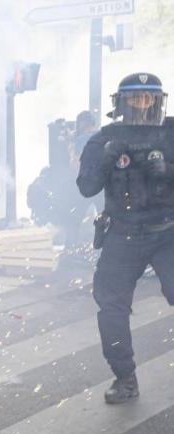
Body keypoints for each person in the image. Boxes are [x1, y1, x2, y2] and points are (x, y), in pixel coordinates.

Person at [77, 73, 174, 404]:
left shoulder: (172, 132)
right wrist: (106, 158)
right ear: (122, 103)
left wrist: (168, 170)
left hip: (168, 233)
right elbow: (86, 187)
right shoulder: (104, 139)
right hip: (122, 234)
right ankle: (125, 377)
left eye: (149, 99)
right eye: (135, 99)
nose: (143, 105)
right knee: (111, 308)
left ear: (158, 102)